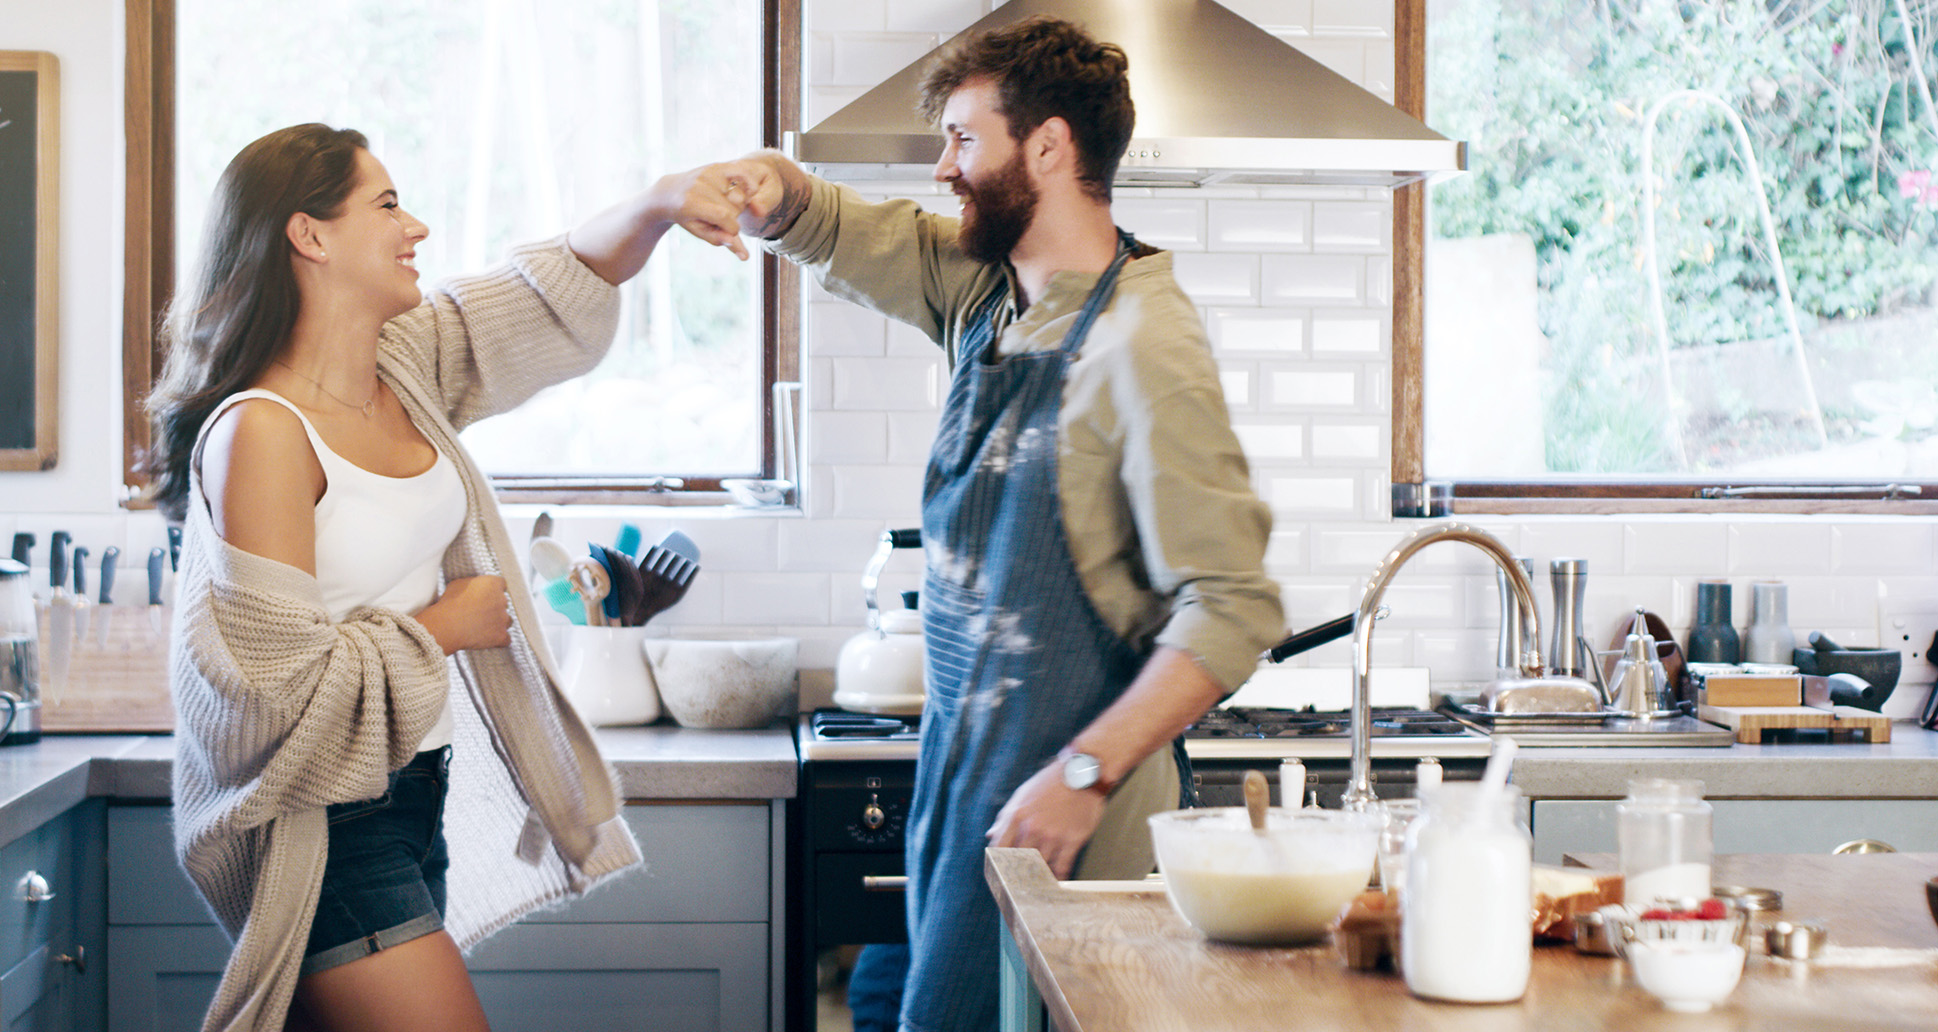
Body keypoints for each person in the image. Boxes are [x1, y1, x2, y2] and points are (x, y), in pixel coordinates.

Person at [708, 17, 1285, 1031]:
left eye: (964, 140)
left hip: (1076, 830)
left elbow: (1231, 611)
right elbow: (848, 232)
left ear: (1049, 147)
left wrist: (1079, 776)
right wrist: (771, 189)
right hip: (964, 793)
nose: (943, 168)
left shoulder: (1142, 342)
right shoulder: (990, 296)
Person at [142, 123, 751, 1032]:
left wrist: (662, 202)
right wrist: (444, 626)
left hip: (411, 796)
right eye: (386, 205)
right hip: (331, 831)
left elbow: (544, 292)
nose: (415, 225)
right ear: (308, 235)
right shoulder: (261, 432)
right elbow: (272, 695)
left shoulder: (399, 365)